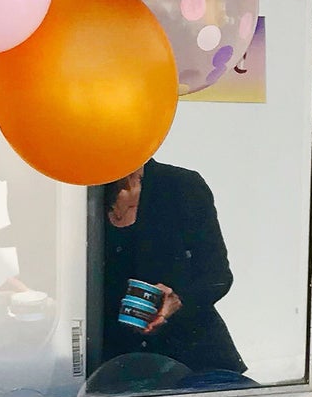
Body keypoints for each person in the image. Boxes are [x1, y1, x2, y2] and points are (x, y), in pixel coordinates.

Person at [97, 160, 246, 379]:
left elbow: (218, 276)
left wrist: (178, 300)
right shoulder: (83, 197)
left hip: (192, 356)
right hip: (119, 365)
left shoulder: (179, 185)